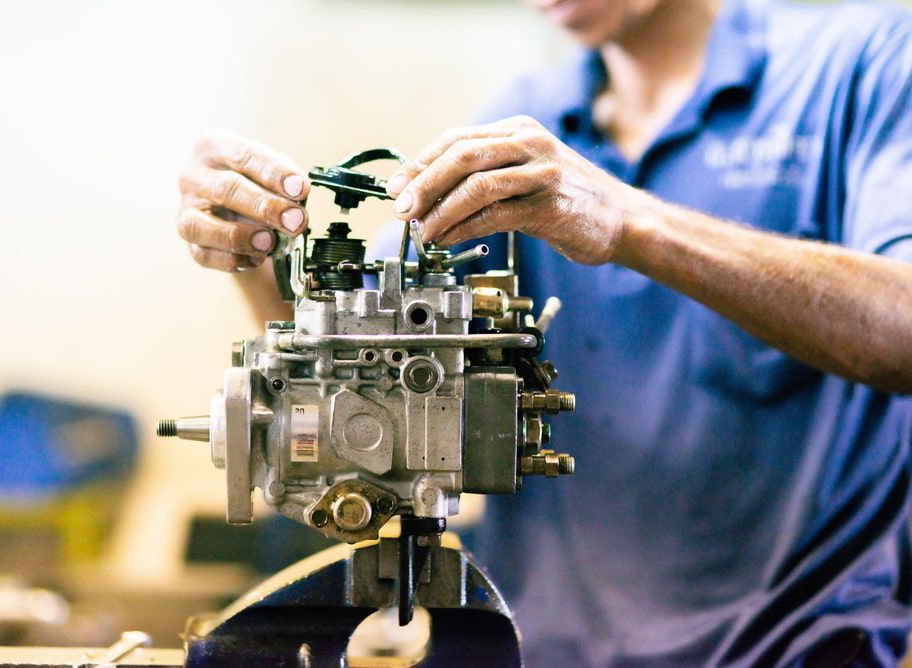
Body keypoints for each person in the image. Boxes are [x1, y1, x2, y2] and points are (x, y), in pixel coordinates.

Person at [175, 0, 912, 664]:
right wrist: (255, 254)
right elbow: (363, 386)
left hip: (801, 649)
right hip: (540, 651)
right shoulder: (526, 119)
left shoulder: (864, 60)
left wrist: (625, 219)